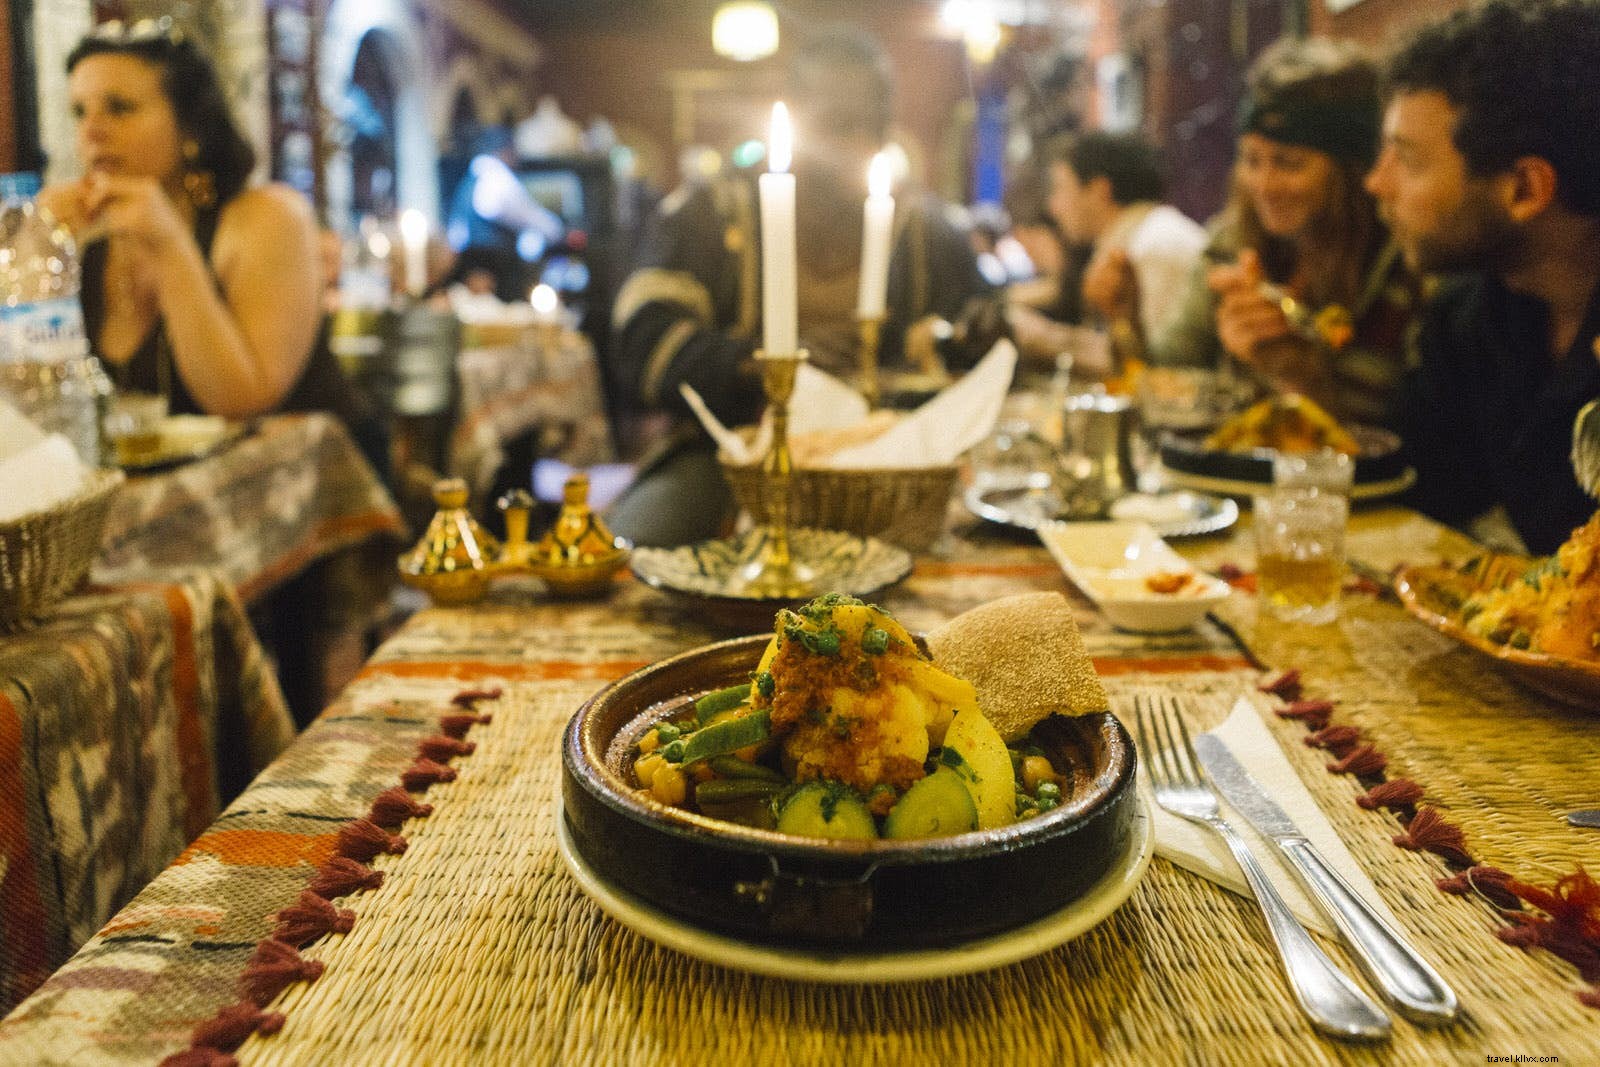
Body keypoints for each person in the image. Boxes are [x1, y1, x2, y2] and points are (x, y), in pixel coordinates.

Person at [605, 27, 997, 545]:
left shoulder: (922, 230)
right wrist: (764, 369)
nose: (855, 145)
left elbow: (975, 333)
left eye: (870, 125)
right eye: (836, 125)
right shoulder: (713, 213)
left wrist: (975, 333)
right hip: (735, 451)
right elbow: (642, 340)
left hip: (890, 460)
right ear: (798, 119)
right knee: (636, 549)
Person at [39, 19, 371, 435]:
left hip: (308, 484)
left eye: (119, 107)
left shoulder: (271, 217)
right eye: (79, 112)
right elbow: (37, 405)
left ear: (190, 127)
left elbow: (239, 400)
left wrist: (169, 243)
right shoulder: (83, 237)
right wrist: (36, 253)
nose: (91, 131)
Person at [1368, 0, 1600, 554]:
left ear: (1524, 189)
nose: (1377, 183)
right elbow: (1424, 494)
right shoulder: (1471, 316)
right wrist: (1301, 378)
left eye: (1410, 160)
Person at [1128, 38, 1418, 427]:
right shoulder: (1231, 244)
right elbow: (1168, 373)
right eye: (1251, 160)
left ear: (1353, 169)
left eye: (1289, 163)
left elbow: (1402, 441)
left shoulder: (1406, 261)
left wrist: (1296, 372)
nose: (1264, 186)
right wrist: (1125, 319)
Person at [1047, 131, 1207, 353]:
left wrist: (1040, 338)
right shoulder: (1140, 236)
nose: (1053, 207)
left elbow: (1157, 367)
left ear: (1099, 191)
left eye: (1061, 188)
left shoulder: (1156, 245)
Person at [443, 127, 565, 304]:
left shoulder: (473, 175)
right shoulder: (496, 176)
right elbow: (521, 213)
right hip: (495, 263)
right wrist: (555, 230)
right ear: (506, 151)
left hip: (469, 259)